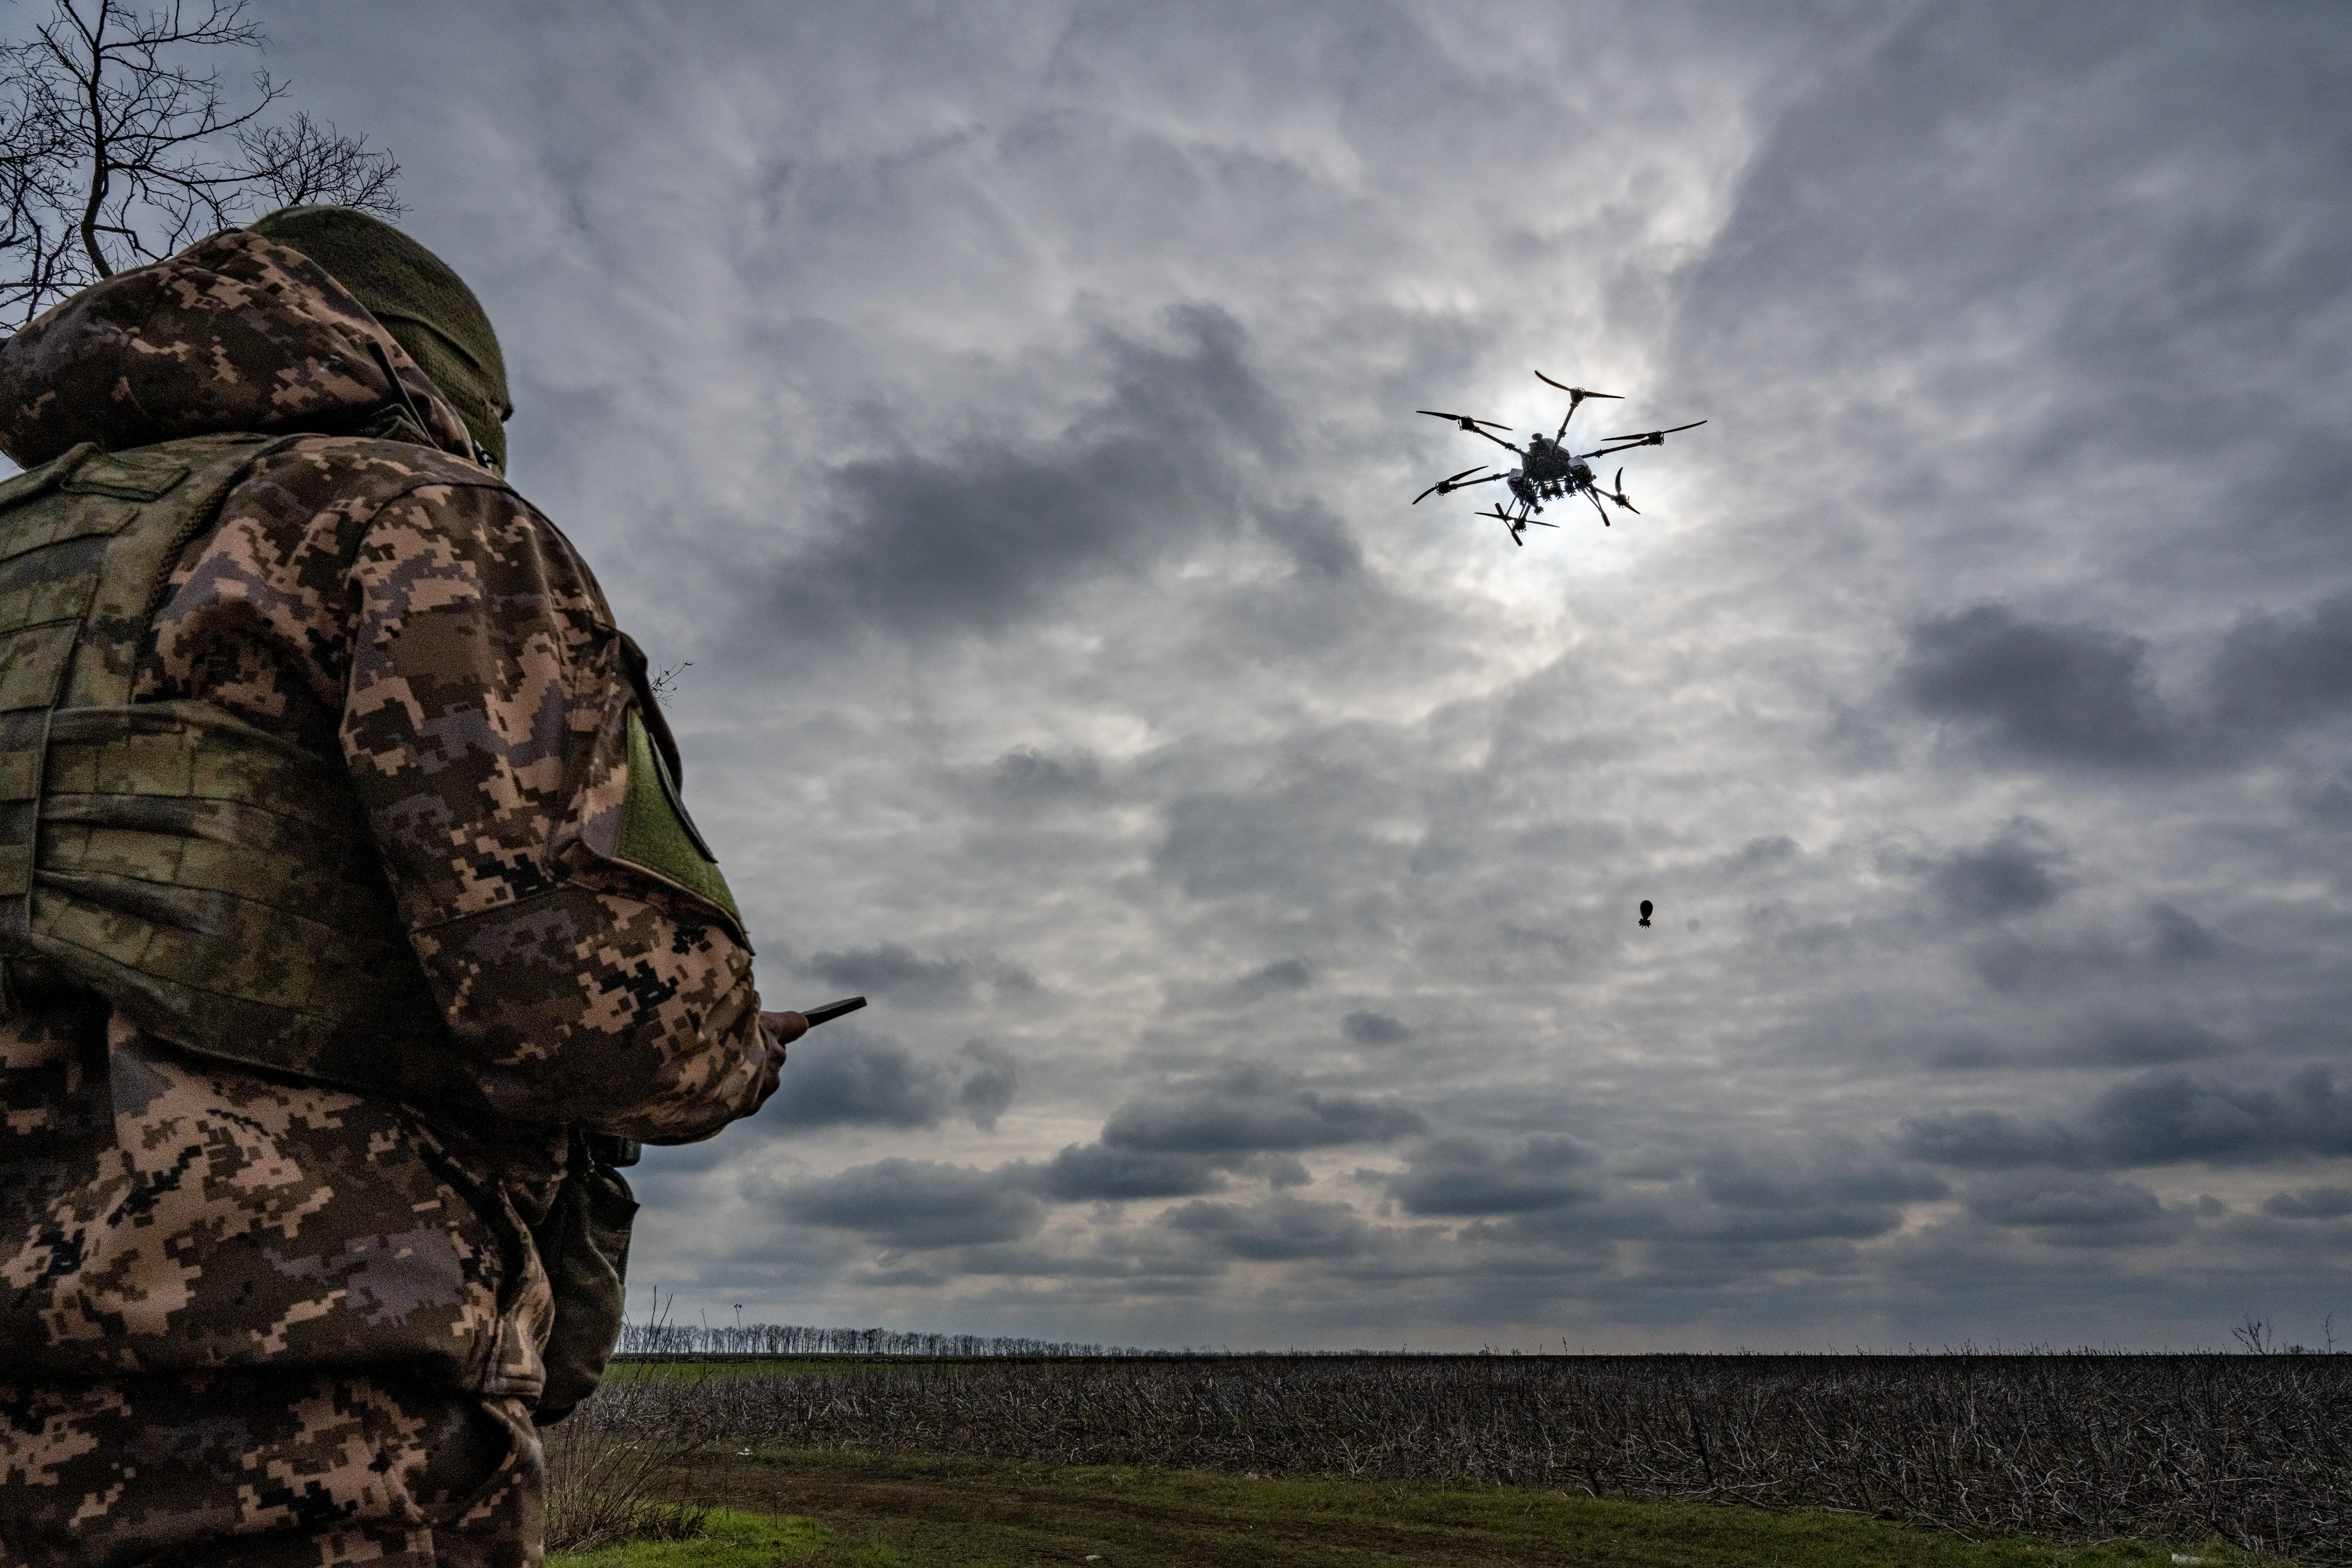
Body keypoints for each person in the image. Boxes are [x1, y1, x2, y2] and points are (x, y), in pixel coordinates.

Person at [0, 208, 801, 1567]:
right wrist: (735, 1050)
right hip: (280, 1421)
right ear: (441, 385)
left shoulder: (25, 549)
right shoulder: (414, 515)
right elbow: (587, 1002)